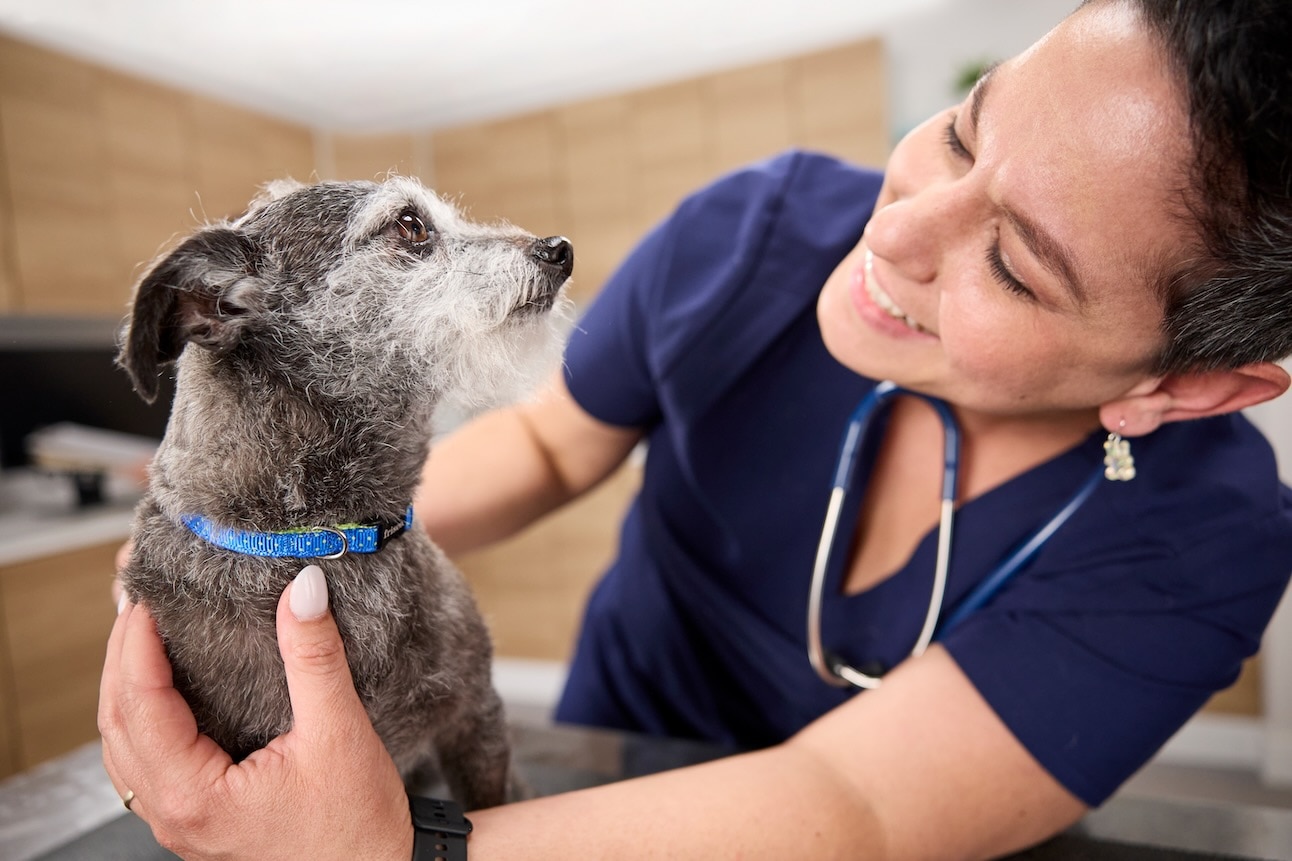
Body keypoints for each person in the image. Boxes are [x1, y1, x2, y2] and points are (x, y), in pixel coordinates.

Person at [98, 0, 1292, 857]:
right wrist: (251, 564)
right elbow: (553, 443)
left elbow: (858, 810)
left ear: (1182, 389)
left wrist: (403, 853)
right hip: (602, 741)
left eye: (1014, 268)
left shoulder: (1202, 541)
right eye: (960, 132)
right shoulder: (760, 231)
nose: (897, 232)